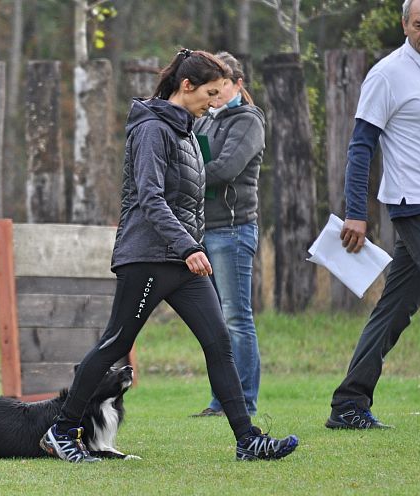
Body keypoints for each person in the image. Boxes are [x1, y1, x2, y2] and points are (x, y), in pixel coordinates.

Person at [39, 49, 298, 462]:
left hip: (182, 261)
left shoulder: (186, 131)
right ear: (186, 86)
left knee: (219, 343)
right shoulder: (152, 130)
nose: (215, 102)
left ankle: (247, 439)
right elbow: (150, 197)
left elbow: (188, 200)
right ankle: (62, 430)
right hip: (147, 257)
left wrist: (188, 248)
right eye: (210, 93)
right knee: (115, 344)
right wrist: (190, 246)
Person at [326, 0, 420, 430]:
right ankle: (349, 403)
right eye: (418, 24)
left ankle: (349, 403)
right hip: (417, 205)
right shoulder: (387, 74)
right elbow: (360, 146)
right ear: (404, 24)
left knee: (395, 309)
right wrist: (356, 212)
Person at [189, 52, 265, 418]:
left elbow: (226, 168)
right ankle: (221, 401)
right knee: (216, 322)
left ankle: (244, 400)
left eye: (221, 86)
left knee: (237, 317)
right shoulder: (205, 121)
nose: (214, 95)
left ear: (238, 84)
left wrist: (184, 175)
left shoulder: (248, 120)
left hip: (232, 231)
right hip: (205, 230)